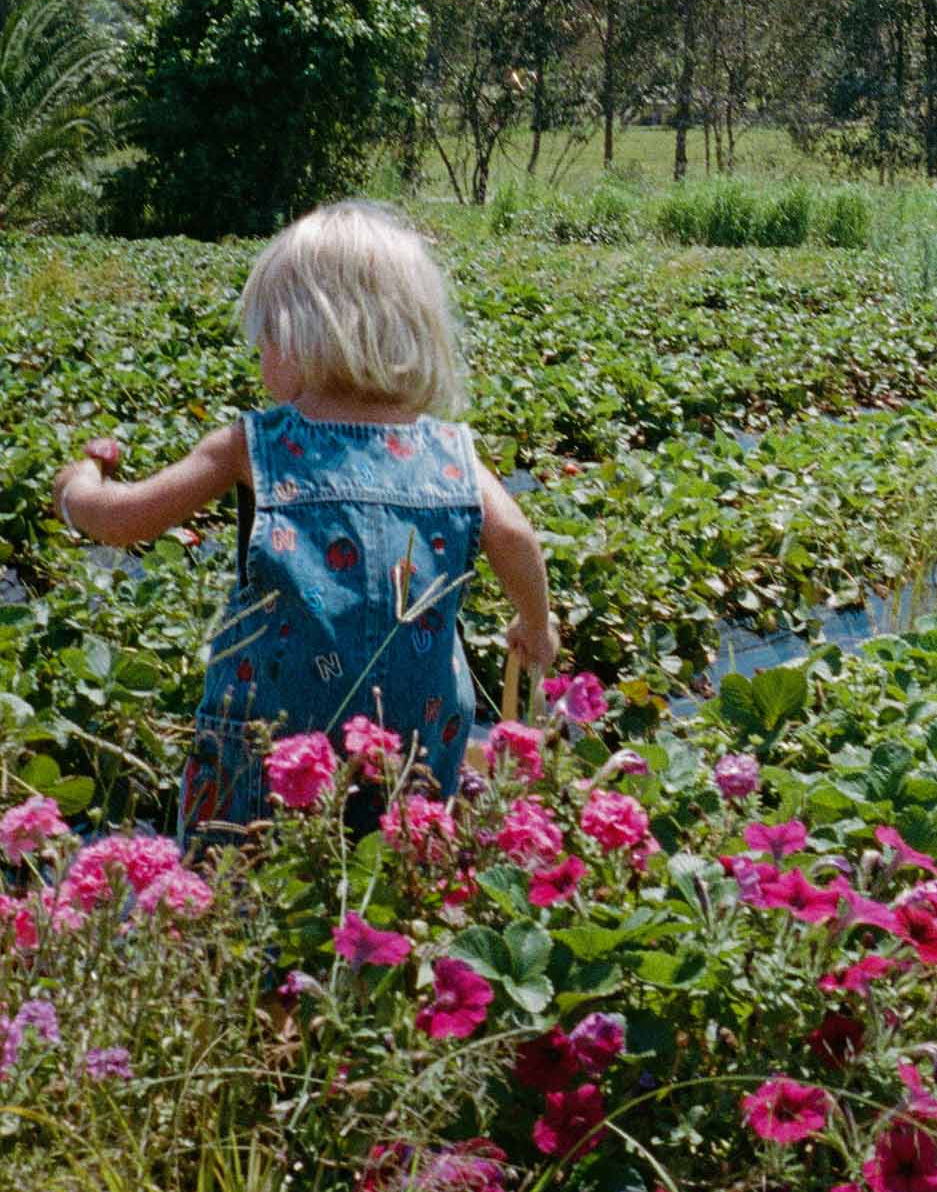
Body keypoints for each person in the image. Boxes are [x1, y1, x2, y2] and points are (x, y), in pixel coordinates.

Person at [51, 200, 561, 846]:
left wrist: (77, 488)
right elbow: (517, 538)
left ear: (297, 336)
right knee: (399, 882)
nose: (263, 357)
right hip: (417, 738)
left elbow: (124, 521)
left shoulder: (253, 444)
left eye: (264, 338)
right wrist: (534, 628)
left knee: (246, 897)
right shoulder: (451, 453)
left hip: (272, 754)